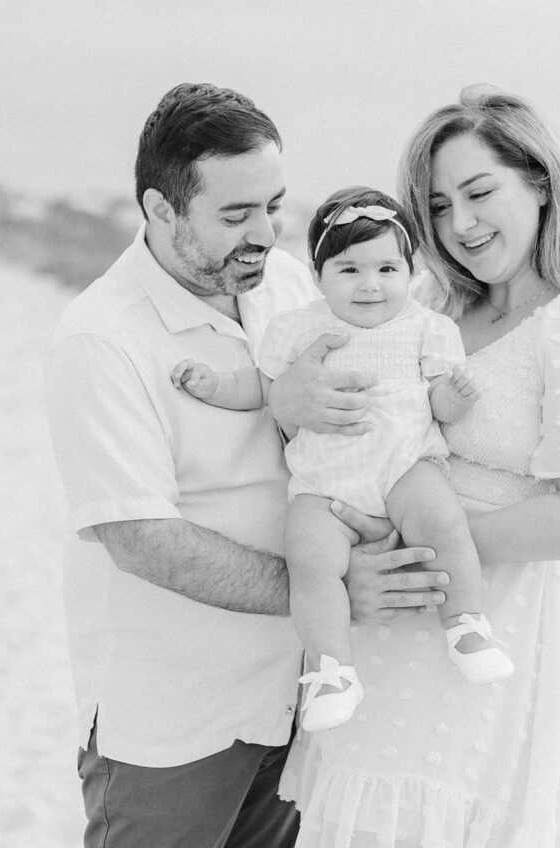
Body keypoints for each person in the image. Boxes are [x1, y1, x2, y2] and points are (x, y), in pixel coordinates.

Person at [44, 83, 452, 848]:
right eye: (235, 215)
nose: (263, 232)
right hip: (174, 722)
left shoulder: (291, 284)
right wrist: (325, 587)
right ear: (160, 210)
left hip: (296, 698)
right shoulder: (99, 339)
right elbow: (140, 539)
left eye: (273, 205)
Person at [274, 87, 560, 848]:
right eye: (437, 204)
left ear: (540, 181)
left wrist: (416, 546)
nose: (461, 223)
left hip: (484, 632)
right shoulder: (431, 308)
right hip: (382, 631)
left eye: (480, 191)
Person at [172, 185, 514, 733]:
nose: (370, 285)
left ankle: (466, 623)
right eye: (349, 270)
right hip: (324, 485)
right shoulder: (300, 328)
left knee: (443, 522)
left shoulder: (427, 328)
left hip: (404, 465)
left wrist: (457, 397)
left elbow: (438, 406)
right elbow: (262, 386)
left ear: (410, 270)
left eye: (386, 269)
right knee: (310, 561)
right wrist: (213, 384)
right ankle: (332, 669)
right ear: (318, 274)